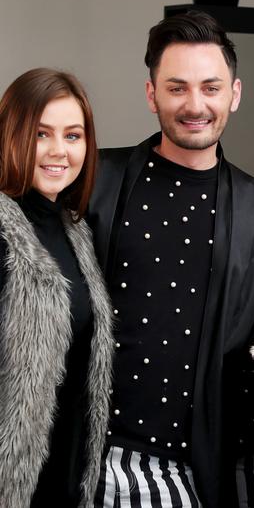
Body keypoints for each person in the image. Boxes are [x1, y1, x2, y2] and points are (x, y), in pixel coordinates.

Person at [87, 11, 254, 508]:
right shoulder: (95, 181)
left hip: (193, 466)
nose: (195, 105)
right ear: (151, 94)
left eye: (211, 87)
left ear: (235, 94)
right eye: (177, 88)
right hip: (93, 455)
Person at [0, 69, 113, 507]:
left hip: (64, 485)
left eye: (73, 135)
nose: (57, 151)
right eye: (41, 133)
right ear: (11, 134)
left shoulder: (74, 231)